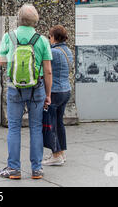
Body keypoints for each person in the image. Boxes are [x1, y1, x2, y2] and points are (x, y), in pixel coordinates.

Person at [0, 4, 53, 180]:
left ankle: (14, 168)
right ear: (35, 20)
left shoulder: (9, 36)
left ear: (19, 18)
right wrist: (48, 94)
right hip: (37, 88)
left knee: (14, 127)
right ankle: (36, 169)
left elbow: (1, 61)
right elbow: (48, 70)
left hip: (15, 88)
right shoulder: (42, 40)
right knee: (36, 127)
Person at [42, 25, 73, 166]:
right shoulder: (67, 50)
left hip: (55, 91)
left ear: (53, 37)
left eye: (49, 36)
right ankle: (61, 152)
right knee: (59, 122)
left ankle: (56, 155)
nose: (49, 39)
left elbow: (46, 71)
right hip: (66, 90)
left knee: (51, 124)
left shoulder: (53, 52)